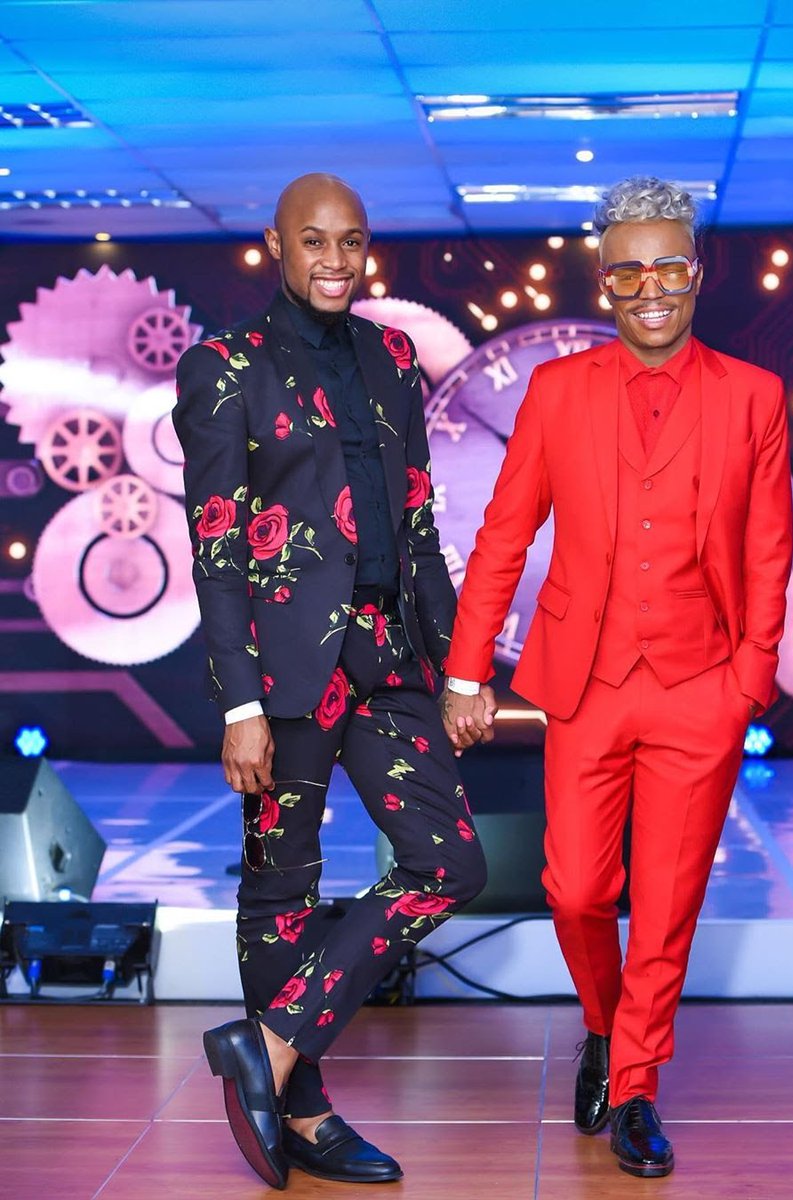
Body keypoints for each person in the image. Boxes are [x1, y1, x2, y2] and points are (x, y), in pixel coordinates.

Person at [440, 176, 793, 1178]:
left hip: (702, 685)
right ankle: (604, 1021)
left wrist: (749, 682)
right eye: (628, 270)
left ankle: (636, 1084)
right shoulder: (558, 392)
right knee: (577, 888)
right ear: (604, 281)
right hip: (586, 682)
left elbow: (769, 550)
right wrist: (466, 671)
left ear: (697, 272)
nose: (650, 288)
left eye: (667, 266)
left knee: (668, 902)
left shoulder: (754, 396)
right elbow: (503, 534)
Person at [173, 173, 490, 1190]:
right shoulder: (223, 367)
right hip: (281, 675)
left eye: (350, 241)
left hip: (388, 656)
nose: (334, 261)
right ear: (277, 246)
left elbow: (420, 524)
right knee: (281, 888)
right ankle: (302, 1110)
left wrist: (460, 668)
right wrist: (239, 704)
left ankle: (266, 1047)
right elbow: (218, 549)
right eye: (313, 241)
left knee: (449, 864)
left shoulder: (392, 357)